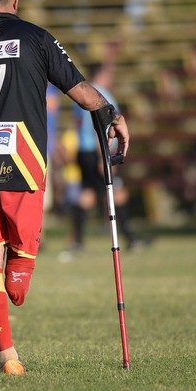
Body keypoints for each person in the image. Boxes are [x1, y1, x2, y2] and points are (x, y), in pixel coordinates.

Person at [0, 0, 129, 375]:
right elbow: (82, 92)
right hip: (22, 158)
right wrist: (112, 113)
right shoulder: (36, 37)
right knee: (20, 257)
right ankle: (22, 269)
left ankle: (7, 357)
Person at [68, 56, 147, 255]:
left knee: (88, 194)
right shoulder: (99, 96)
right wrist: (105, 157)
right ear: (101, 74)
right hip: (97, 151)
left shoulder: (80, 93)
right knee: (117, 192)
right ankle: (131, 238)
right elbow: (99, 128)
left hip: (83, 151)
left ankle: (76, 241)